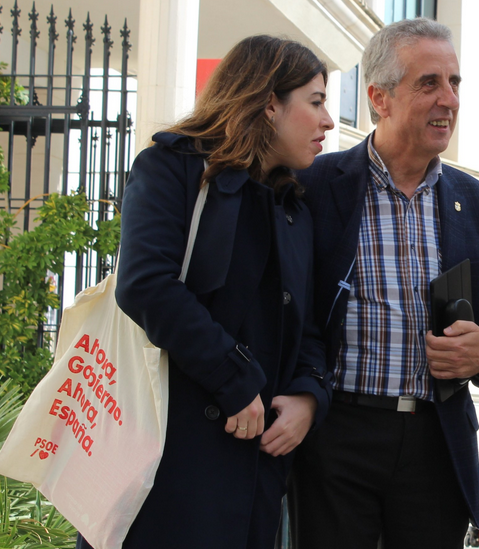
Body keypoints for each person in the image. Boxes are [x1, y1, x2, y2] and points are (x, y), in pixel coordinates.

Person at [76, 35, 334, 549]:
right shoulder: (173, 168)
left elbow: (307, 326)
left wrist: (309, 395)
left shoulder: (294, 208)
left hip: (254, 470)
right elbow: (146, 284)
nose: (328, 120)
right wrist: (235, 378)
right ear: (268, 104)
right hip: (165, 454)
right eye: (316, 101)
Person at [289, 17, 479, 549]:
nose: (448, 99)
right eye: (429, 83)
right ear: (380, 98)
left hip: (437, 442)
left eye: (454, 83)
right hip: (337, 436)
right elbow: (288, 313)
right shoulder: (313, 186)